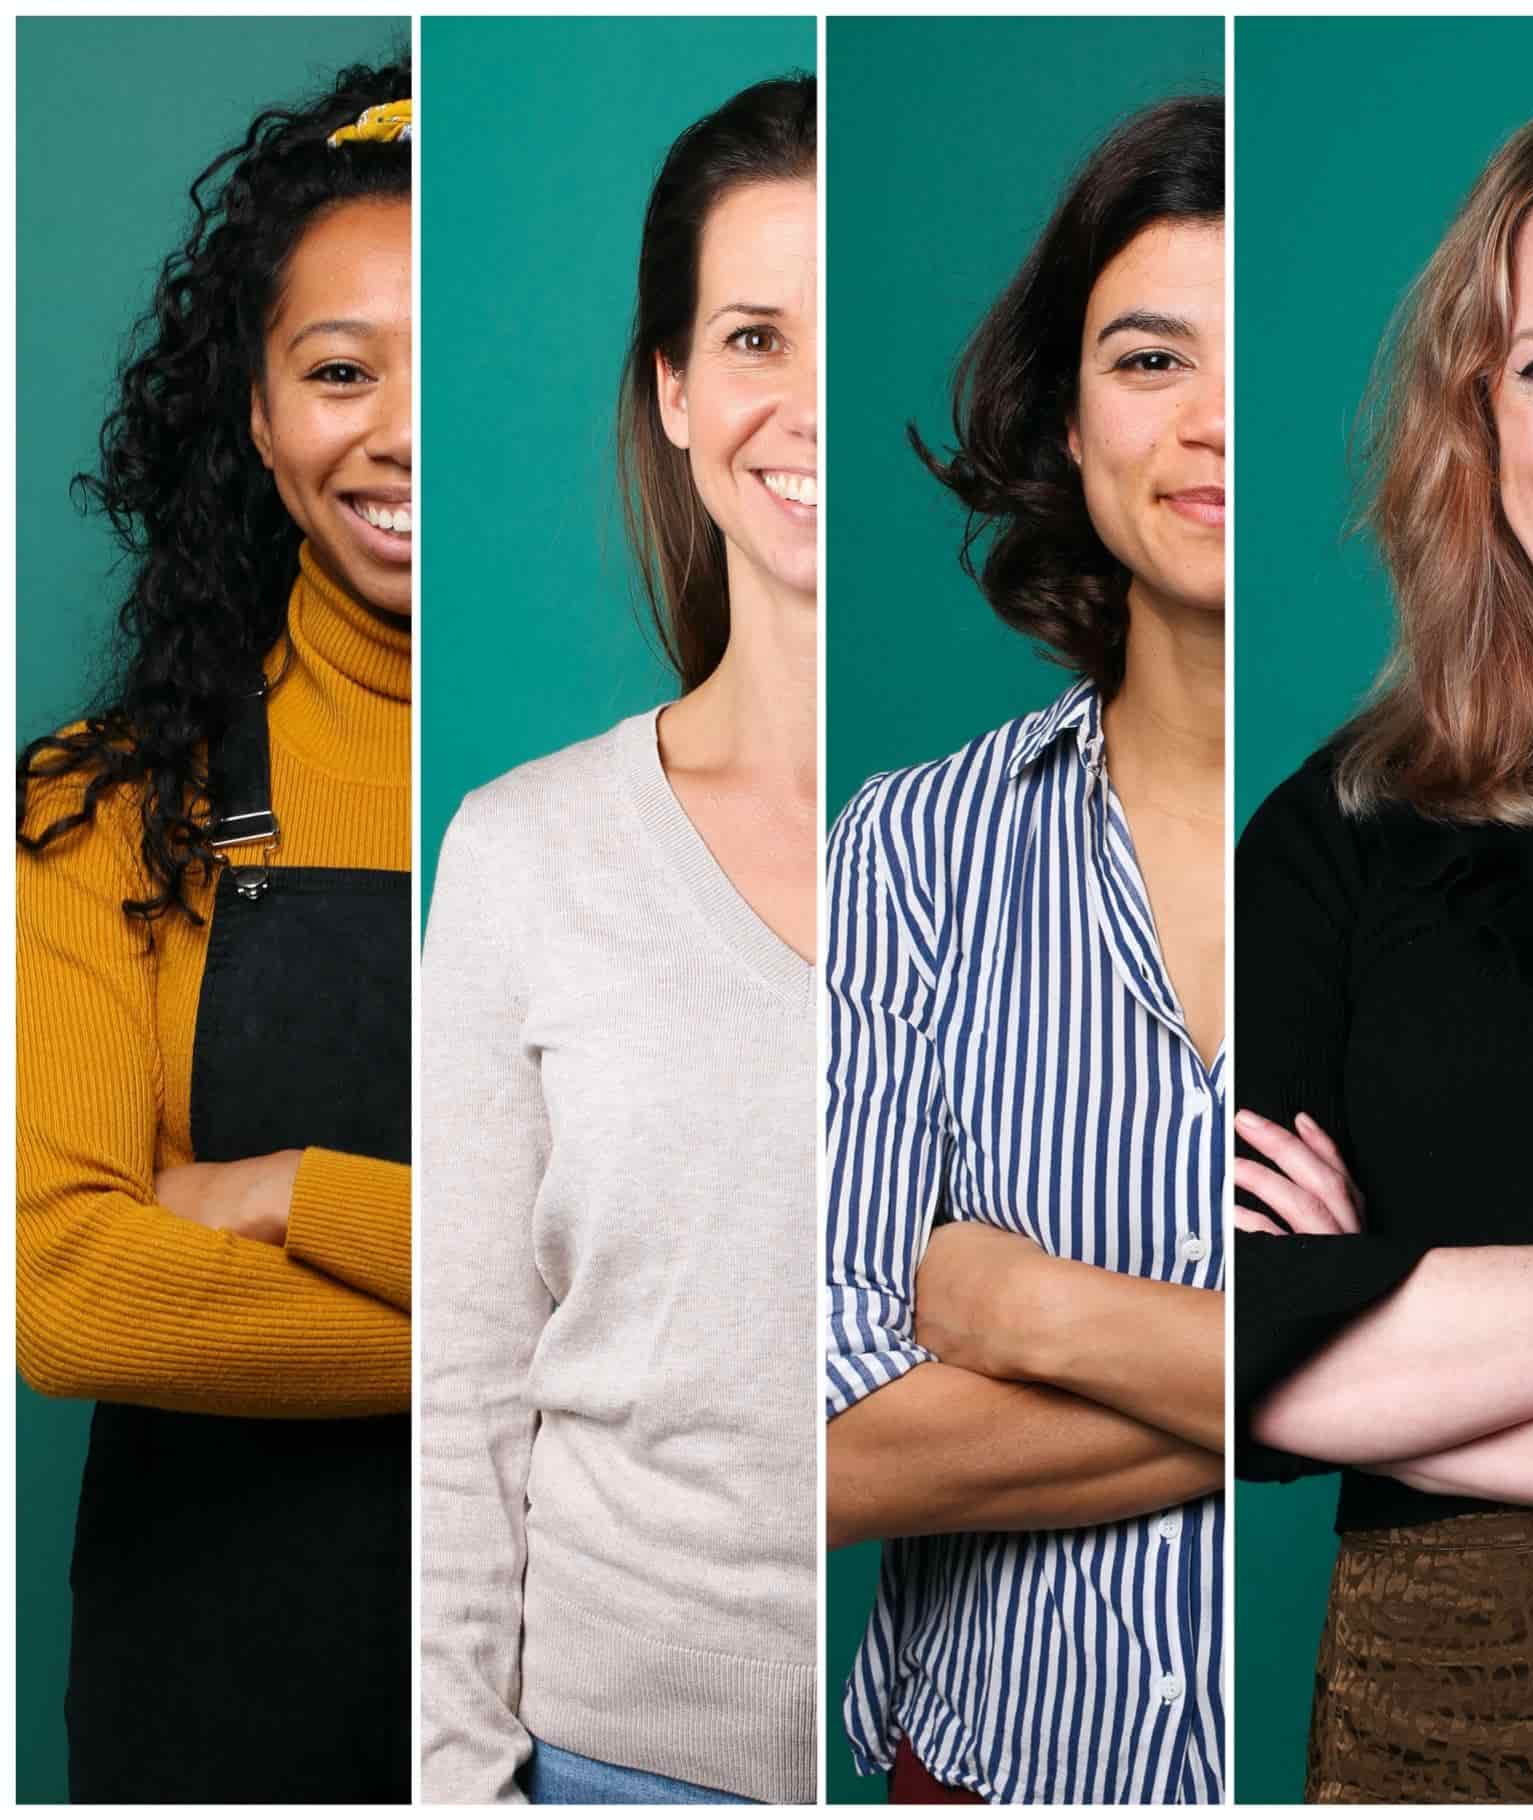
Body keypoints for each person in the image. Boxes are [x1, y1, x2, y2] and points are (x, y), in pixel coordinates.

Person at [418, 75, 818, 1808]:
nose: (798, 401)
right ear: (671, 389)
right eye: (749, 336)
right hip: (615, 1765)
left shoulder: (1043, 830)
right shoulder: (523, 856)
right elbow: (463, 1397)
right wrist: (456, 1784)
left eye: (840, 333)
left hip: (998, 1741)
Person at [16, 60, 413, 1804]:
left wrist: (287, 1197)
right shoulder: (96, 812)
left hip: (577, 1704)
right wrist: (557, 1346)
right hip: (210, 1702)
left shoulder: (661, 805)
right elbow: (58, 1283)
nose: (402, 429)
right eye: (339, 373)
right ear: (256, 420)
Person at [823, 93, 1226, 1805]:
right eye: (1149, 359)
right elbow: (821, 1445)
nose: (1215, 422)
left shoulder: (1468, 841)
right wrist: (1333, 1387)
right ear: (1065, 419)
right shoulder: (914, 852)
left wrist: (1026, 1307)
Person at [1232, 93, 1533, 1804]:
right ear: (1472, 412)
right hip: (1431, 1711)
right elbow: (1245, 1341)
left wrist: (1394, 1349)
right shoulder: (1334, 829)